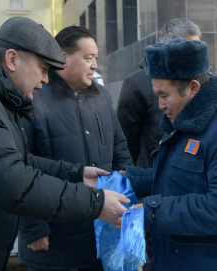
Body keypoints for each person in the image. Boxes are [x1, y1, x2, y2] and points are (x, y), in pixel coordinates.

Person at [0, 17, 130, 271]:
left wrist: (76, 173)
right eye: (43, 68)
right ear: (12, 60)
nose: (46, 79)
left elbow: (19, 160)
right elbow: (10, 180)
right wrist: (95, 203)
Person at [18, 26, 133, 271]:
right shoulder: (33, 98)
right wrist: (33, 226)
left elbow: (120, 152)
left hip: (104, 235)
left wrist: (131, 205)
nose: (95, 65)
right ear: (62, 57)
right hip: (55, 240)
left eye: (96, 58)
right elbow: (20, 166)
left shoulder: (102, 95)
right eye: (88, 58)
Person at [126, 37, 217, 271]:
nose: (160, 105)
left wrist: (150, 212)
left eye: (164, 95)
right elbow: (174, 179)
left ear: (193, 88)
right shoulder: (181, 122)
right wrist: (127, 180)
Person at [116, 18, 216, 170]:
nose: (194, 56)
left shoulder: (207, 81)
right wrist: (132, 177)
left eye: (197, 47)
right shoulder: (136, 84)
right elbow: (128, 142)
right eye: (187, 49)